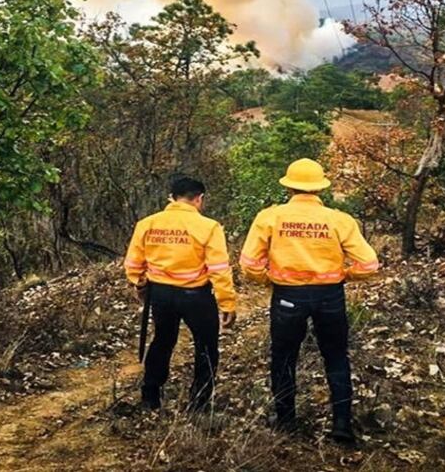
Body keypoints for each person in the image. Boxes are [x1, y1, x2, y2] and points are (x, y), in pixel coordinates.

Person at [239, 158, 379, 445]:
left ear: (288, 186)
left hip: (288, 296)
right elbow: (368, 265)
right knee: (336, 357)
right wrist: (342, 275)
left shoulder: (270, 217)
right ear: (320, 188)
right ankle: (341, 425)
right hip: (330, 296)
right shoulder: (340, 219)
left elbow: (249, 264)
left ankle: (286, 423)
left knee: (284, 358)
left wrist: (269, 281)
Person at [124, 176, 237, 412]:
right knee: (206, 346)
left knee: (163, 341)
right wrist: (227, 303)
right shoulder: (209, 227)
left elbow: (133, 263)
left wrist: (140, 284)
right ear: (199, 199)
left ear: (172, 197)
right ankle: (200, 402)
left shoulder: (147, 224)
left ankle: (150, 396)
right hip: (196, 295)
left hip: (161, 294)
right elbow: (218, 269)